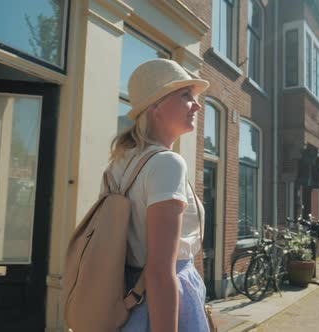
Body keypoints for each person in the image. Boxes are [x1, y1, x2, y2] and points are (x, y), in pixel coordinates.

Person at [103, 59, 210, 332]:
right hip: (163, 306)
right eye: (185, 96)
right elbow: (161, 272)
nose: (196, 105)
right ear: (156, 107)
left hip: (124, 296)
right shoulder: (168, 163)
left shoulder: (120, 162)